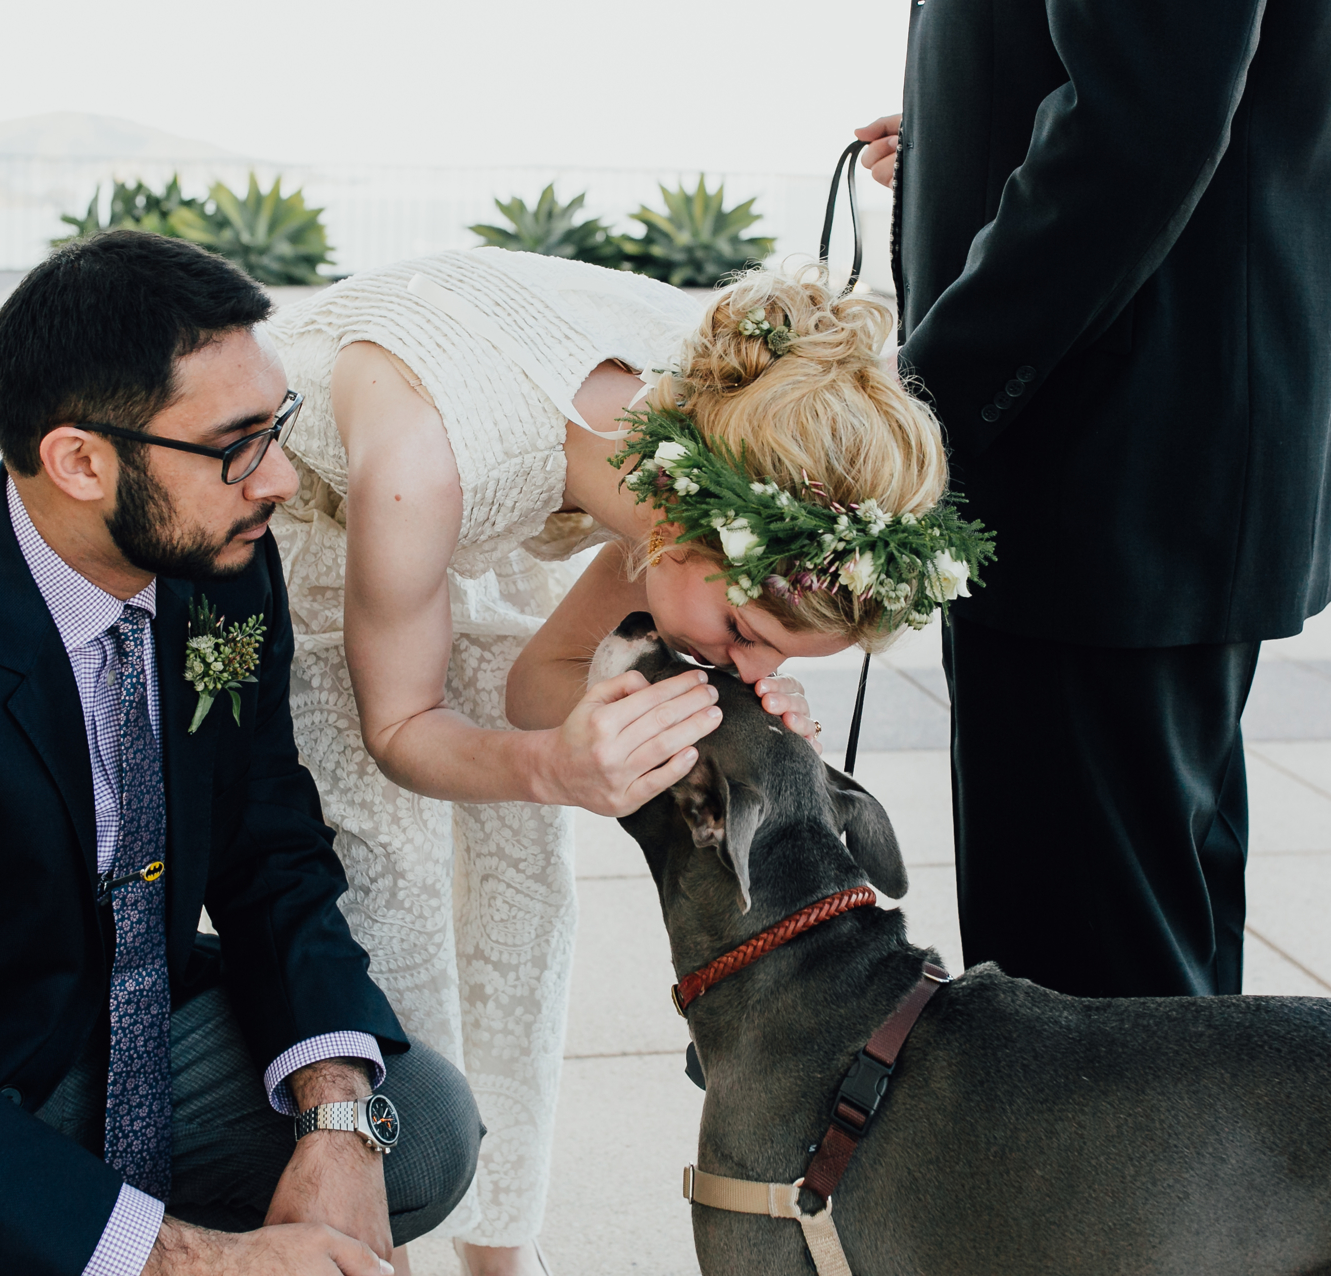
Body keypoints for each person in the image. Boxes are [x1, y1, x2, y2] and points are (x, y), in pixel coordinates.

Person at [0, 231, 481, 1276]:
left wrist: (335, 1124)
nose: (277, 481)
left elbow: (272, 850)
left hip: (125, 1036)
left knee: (425, 1125)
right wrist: (198, 1261)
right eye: (235, 445)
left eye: (279, 427)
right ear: (80, 460)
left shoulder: (218, 568)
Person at [267, 256, 983, 1274]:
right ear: (683, 533)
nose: (750, 667)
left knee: (525, 894)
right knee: (391, 899)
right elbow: (401, 730)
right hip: (343, 532)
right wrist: (555, 769)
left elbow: (536, 683)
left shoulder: (707, 439)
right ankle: (387, 1243)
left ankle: (501, 1254)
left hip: (496, 512)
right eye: (741, 630)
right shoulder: (419, 464)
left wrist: (687, 728)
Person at [857, 0, 1331, 998]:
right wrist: (961, 132)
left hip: (1102, 480)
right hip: (1136, 477)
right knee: (1154, 1000)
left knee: (1091, 1037)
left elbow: (1140, 122)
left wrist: (919, 410)